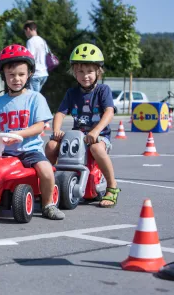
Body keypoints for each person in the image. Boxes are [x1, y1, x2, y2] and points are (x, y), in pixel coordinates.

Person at [0, 44, 65, 221]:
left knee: (46, 169)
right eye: (11, 75)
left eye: (21, 74)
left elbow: (39, 126)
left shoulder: (35, 98)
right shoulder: (0, 102)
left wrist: (18, 134)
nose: (16, 79)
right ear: (4, 76)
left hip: (28, 150)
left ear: (29, 74)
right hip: (2, 151)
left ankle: (48, 205)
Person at [45, 43, 121, 208]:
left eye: (89, 71)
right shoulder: (72, 93)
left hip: (99, 136)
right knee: (51, 146)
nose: (85, 75)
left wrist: (95, 131)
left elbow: (109, 112)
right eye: (80, 71)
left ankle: (112, 186)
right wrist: (56, 130)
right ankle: (49, 184)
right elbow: (60, 113)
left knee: (96, 149)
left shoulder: (103, 90)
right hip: (78, 136)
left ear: (98, 72)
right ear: (74, 73)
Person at [23, 20, 49, 92]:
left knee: (33, 97)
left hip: (35, 74)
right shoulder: (42, 40)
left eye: (25, 32)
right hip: (44, 74)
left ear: (28, 29)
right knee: (36, 96)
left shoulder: (30, 41)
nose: (26, 34)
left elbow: (30, 57)